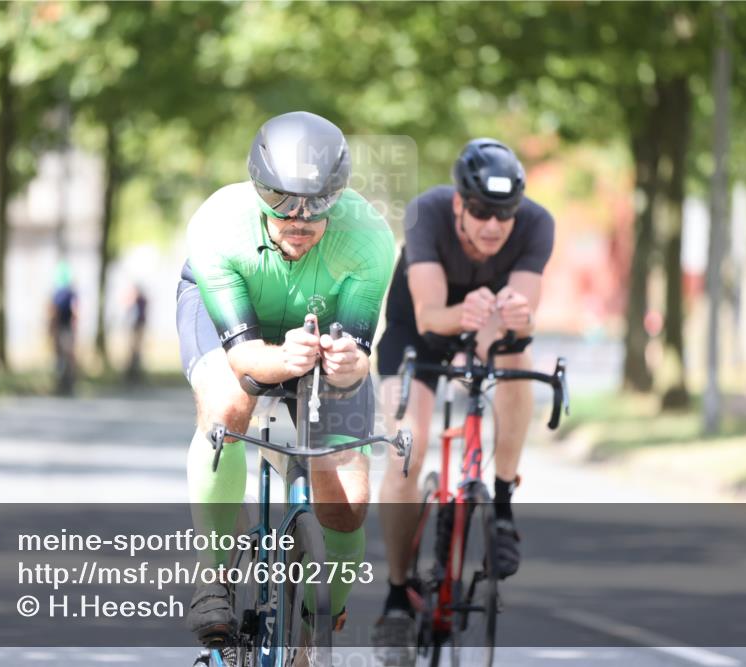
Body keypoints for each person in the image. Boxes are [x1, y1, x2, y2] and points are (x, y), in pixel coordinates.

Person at [175, 111, 395, 660]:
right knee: (227, 406)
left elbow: (358, 358)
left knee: (346, 499)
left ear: (337, 196)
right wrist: (284, 359)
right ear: (257, 188)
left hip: (316, 332)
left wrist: (347, 364)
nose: (298, 218)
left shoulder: (369, 238)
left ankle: (321, 615)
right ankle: (213, 574)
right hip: (234, 322)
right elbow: (247, 359)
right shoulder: (217, 226)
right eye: (280, 200)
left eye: (317, 203)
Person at [373, 138, 555, 641]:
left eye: (504, 213)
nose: (492, 225)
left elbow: (521, 317)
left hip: (487, 327)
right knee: (407, 451)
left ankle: (499, 501)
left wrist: (512, 319)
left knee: (519, 356)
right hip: (418, 332)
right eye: (480, 211)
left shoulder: (537, 223)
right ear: (459, 203)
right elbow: (431, 316)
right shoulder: (426, 213)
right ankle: (396, 591)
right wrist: (471, 314)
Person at [49, 261, 78, 395]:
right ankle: (67, 381)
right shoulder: (69, 293)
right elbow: (75, 311)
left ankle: (65, 381)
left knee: (62, 355)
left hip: (63, 327)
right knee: (67, 355)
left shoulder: (59, 293)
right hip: (65, 327)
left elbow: (53, 311)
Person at [126, 284, 148, 382]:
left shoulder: (140, 301)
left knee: (136, 352)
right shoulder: (136, 301)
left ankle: (135, 375)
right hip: (134, 327)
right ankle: (132, 375)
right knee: (133, 352)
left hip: (138, 327)